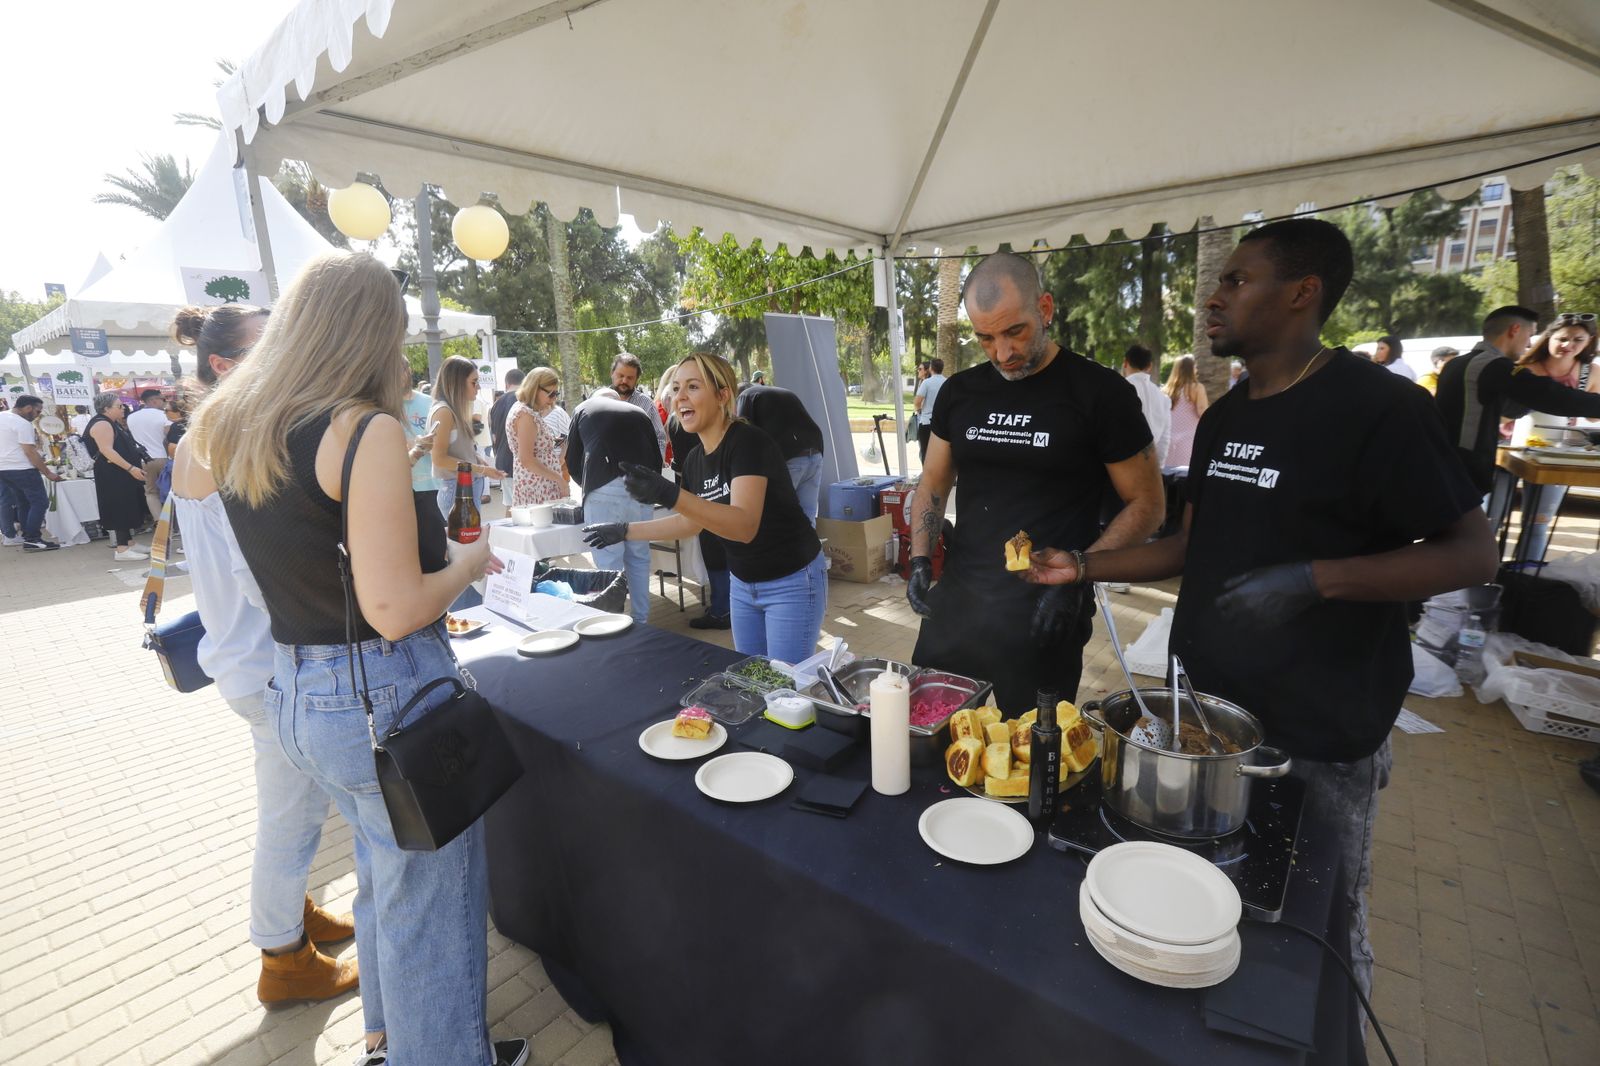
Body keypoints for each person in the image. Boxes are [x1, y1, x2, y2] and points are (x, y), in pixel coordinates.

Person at [1025, 218, 1498, 1000]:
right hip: (1203, 724)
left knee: (1314, 936)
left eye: (1237, 281)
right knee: (1196, 910)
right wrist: (1081, 565)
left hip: (1319, 733)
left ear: (1302, 293)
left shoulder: (1379, 409)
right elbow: (1188, 545)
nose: (1215, 296)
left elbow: (1472, 554)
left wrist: (1315, 579)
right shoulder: (1230, 417)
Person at [189, 252, 525, 1066]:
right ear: (374, 332)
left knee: (386, 883)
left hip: (301, 690)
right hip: (386, 692)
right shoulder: (360, 429)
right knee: (433, 912)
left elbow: (293, 528)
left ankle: (392, 1041)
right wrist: (473, 566)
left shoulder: (231, 424)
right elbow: (395, 607)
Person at [168, 302, 360, 1007]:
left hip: (247, 661)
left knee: (291, 809)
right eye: (269, 344)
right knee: (292, 819)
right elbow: (265, 573)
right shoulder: (236, 438)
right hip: (271, 664)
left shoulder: (208, 434)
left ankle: (293, 915)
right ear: (224, 366)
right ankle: (283, 958)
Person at [905, 252, 1164, 714]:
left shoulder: (1101, 394)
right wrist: (921, 555)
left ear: (1044, 309)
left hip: (1047, 613)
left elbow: (1147, 504)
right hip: (960, 607)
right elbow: (932, 483)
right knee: (930, 732)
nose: (1002, 353)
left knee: (1026, 762)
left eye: (1014, 332)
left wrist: (1077, 578)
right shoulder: (960, 393)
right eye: (985, 338)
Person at [583, 353, 827, 664]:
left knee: (787, 688)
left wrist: (671, 495)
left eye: (693, 387)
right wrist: (625, 531)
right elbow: (690, 521)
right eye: (675, 388)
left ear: (722, 395)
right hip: (743, 583)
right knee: (753, 679)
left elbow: (744, 526)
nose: (679, 397)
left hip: (790, 579)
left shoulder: (748, 442)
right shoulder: (696, 458)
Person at [1435, 306, 1600, 497]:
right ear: (1515, 330)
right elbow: (1550, 396)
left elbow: (1514, 408)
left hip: (1446, 461)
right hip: (1464, 466)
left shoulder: (1458, 363)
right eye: (1529, 335)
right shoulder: (1493, 365)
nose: (1529, 344)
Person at [1500, 312, 1599, 561]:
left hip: (1555, 454)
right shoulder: (1525, 368)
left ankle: (1523, 582)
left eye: (1578, 340)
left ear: (1589, 342)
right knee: (1491, 518)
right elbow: (1501, 414)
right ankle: (1481, 580)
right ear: (1548, 337)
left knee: (1537, 523)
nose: (1569, 345)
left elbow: (1593, 418)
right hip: (1508, 450)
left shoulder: (1590, 372)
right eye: (1562, 338)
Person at [567, 386, 662, 625]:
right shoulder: (639, 411)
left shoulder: (583, 409)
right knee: (639, 557)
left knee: (609, 561)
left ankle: (612, 623)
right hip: (643, 486)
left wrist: (589, 488)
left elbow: (572, 461)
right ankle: (641, 620)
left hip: (604, 485)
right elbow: (656, 455)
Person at [736, 381, 826, 523]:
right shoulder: (778, 392)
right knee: (807, 515)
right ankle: (812, 545)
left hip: (790, 456)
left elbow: (742, 432)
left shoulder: (745, 396)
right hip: (815, 452)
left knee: (779, 517)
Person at [428, 356, 505, 518]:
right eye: (474, 382)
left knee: (471, 540)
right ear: (457, 382)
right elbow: (439, 458)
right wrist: (481, 468)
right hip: (457, 489)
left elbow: (458, 448)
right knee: (467, 541)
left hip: (464, 487)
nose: (478, 387)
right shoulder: (444, 412)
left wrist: (478, 459)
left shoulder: (453, 409)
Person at [84, 391, 152, 561]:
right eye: (119, 406)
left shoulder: (111, 423)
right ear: (106, 408)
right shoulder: (101, 424)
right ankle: (121, 549)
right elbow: (107, 450)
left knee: (128, 505)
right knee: (120, 507)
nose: (123, 409)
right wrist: (131, 468)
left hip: (119, 472)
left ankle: (129, 543)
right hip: (112, 473)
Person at [0, 394, 63, 551]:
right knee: (40, 502)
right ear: (28, 408)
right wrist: (48, 473)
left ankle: (29, 537)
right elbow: (30, 452)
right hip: (22, 468)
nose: (38, 415)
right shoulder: (22, 424)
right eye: (38, 411)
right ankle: (32, 538)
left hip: (4, 469)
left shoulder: (2, 417)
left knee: (24, 503)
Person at [506, 366, 567, 506]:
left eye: (556, 394)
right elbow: (527, 459)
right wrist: (559, 480)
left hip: (539, 484)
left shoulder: (525, 411)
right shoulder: (525, 414)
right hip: (538, 488)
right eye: (551, 394)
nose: (553, 399)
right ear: (535, 388)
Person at [610, 351, 667, 461]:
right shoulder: (597, 401)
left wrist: (656, 465)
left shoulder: (646, 404)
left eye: (630, 378)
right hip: (604, 471)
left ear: (636, 380)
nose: (624, 381)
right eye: (620, 375)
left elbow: (659, 438)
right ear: (612, 373)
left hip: (637, 469)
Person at [1120, 344, 1170, 469]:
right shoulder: (1162, 397)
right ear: (1149, 366)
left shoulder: (1118, 389)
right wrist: (1159, 468)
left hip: (1122, 464)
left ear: (1125, 363)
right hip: (1150, 464)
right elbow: (1165, 439)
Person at [127, 387, 171, 521]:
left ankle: (159, 523)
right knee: (171, 491)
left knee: (151, 493)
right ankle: (174, 523)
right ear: (154, 400)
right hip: (164, 457)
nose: (164, 402)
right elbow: (168, 436)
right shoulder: (164, 415)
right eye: (162, 399)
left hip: (143, 459)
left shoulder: (131, 417)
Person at [1163, 354, 1210, 470]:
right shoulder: (1197, 388)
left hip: (1168, 441)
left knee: (1169, 478)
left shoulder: (1166, 390)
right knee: (1185, 479)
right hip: (1189, 440)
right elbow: (1202, 412)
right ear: (1191, 369)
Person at [489, 367, 525, 481]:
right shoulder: (525, 401)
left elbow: (493, 435)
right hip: (523, 464)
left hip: (503, 462)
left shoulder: (495, 405)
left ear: (506, 384)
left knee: (508, 498)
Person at [913, 358, 947, 462]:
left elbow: (917, 401)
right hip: (943, 423)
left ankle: (927, 475)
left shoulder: (927, 383)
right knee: (941, 453)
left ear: (931, 368)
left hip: (927, 421)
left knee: (925, 451)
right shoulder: (947, 382)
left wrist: (919, 410)